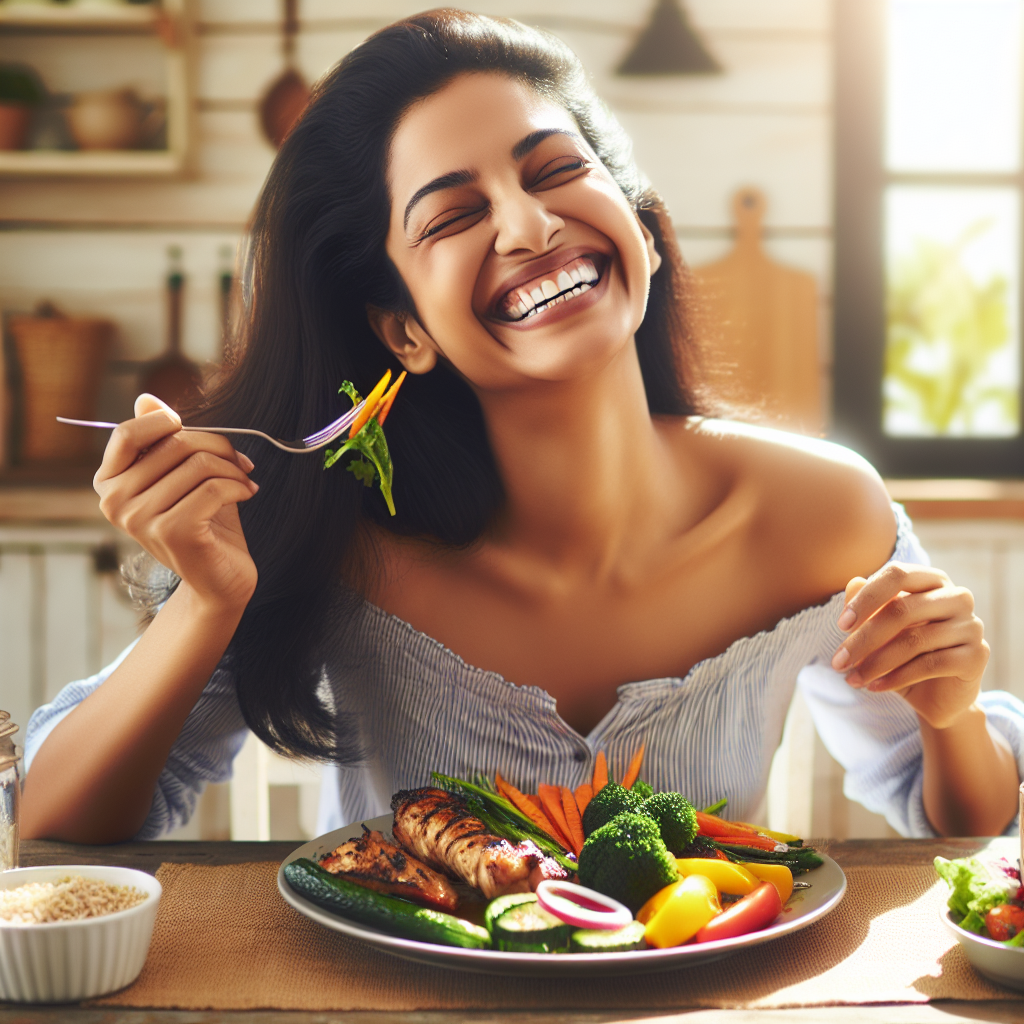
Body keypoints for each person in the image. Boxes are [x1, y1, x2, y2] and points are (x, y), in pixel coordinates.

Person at [22, 10, 1023, 845]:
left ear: (635, 219)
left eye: (551, 170)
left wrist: (949, 716)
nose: (529, 226)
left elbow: (966, 822)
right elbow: (54, 831)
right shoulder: (329, 527)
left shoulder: (824, 510)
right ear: (403, 330)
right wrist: (206, 603)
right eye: (453, 217)